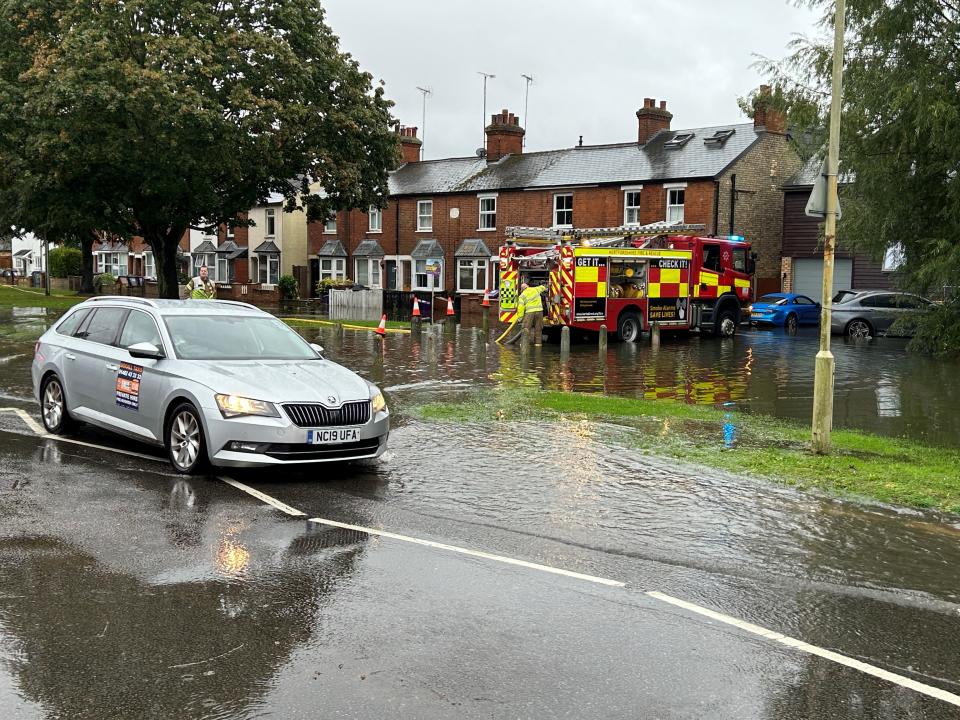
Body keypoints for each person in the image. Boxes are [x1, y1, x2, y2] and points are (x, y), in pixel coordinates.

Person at [516, 281, 547, 346]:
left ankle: (524, 344)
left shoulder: (522, 295)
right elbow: (543, 287)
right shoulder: (535, 289)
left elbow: (520, 308)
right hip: (539, 312)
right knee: (538, 329)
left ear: (522, 289)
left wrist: (520, 318)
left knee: (526, 329)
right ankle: (538, 345)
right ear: (528, 286)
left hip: (529, 313)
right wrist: (546, 285)